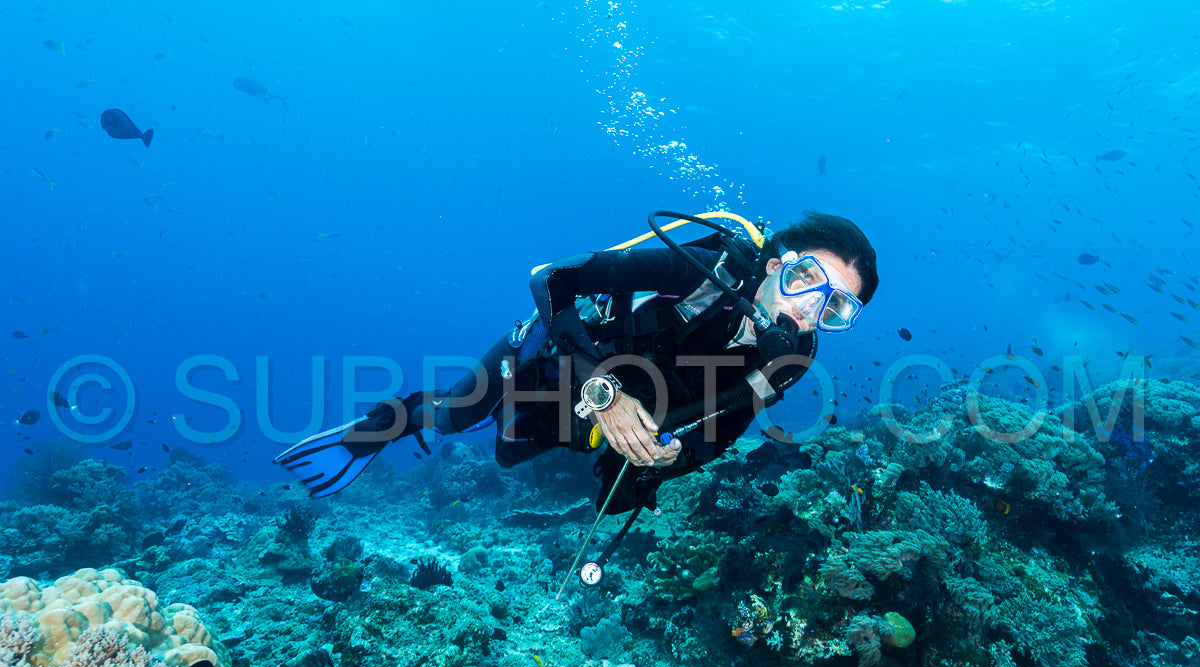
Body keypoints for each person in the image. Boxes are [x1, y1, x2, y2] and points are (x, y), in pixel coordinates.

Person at [276, 210, 878, 515]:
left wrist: (670, 462)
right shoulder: (699, 270)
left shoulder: (789, 358)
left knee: (515, 458)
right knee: (458, 419)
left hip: (602, 421)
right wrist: (606, 392)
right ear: (777, 264)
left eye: (837, 308)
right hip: (549, 358)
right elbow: (553, 277)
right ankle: (389, 422)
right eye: (807, 280)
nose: (810, 309)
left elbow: (725, 427)